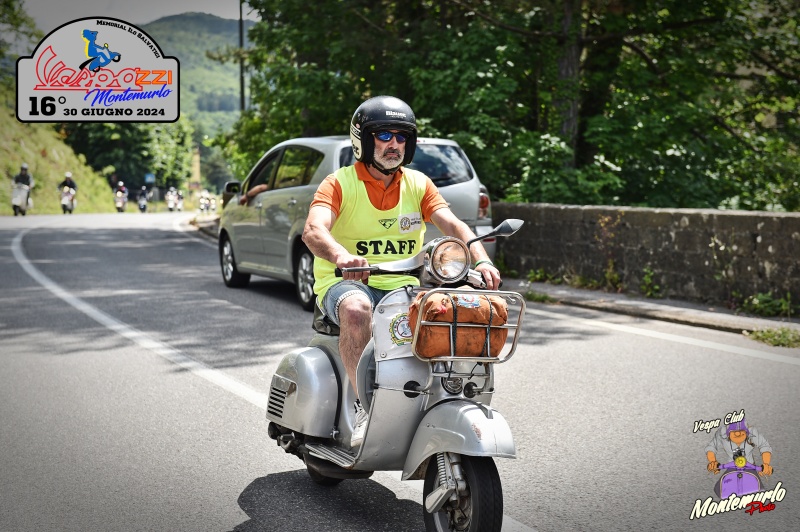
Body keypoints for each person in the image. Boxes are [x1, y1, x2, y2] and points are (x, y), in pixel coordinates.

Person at [301, 95, 500, 447]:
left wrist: (482, 260)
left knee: (457, 310)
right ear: (364, 140)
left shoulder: (419, 184)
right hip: (345, 284)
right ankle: (363, 407)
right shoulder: (339, 183)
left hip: (404, 286)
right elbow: (313, 230)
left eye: (401, 136)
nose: (394, 144)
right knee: (356, 308)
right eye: (384, 135)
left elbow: (454, 225)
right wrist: (342, 256)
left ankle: (448, 398)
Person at [705, 418, 773, 477]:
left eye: (741, 430)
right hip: (731, 468)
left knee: (757, 486)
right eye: (733, 431)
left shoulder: (752, 432)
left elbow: (764, 446)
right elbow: (712, 447)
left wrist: (766, 464)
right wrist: (713, 461)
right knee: (720, 486)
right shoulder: (721, 433)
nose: (738, 434)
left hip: (750, 468)